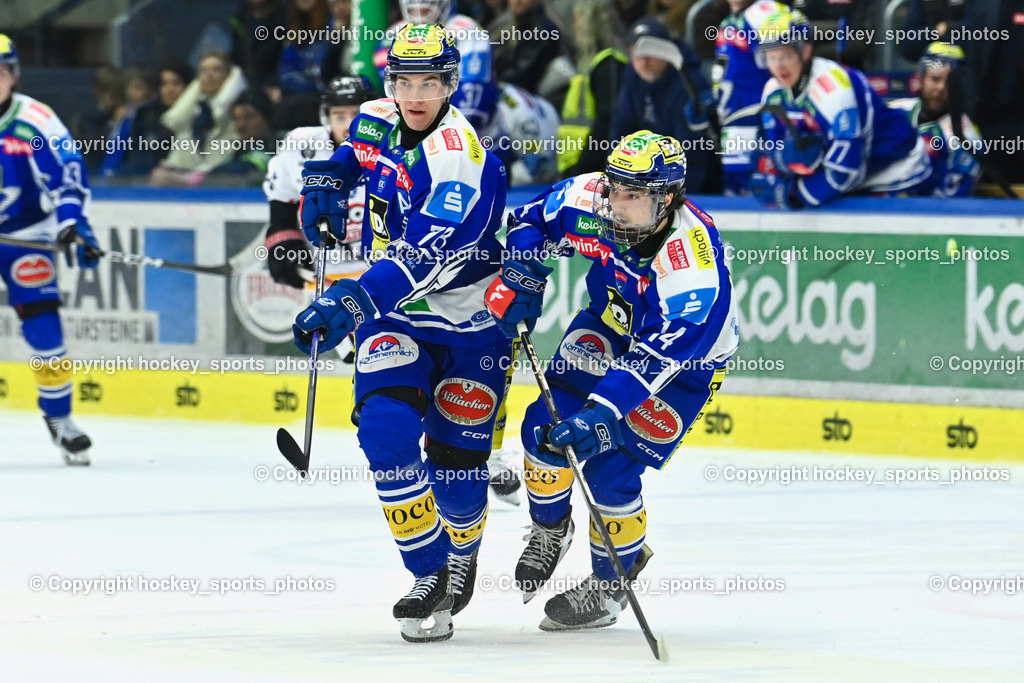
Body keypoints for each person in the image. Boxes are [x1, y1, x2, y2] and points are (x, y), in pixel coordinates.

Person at [291, 24, 509, 642]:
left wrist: (352, 300)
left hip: (470, 321)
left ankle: (461, 552)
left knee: (457, 470)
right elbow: (353, 154)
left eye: (431, 82)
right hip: (396, 317)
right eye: (405, 81)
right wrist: (328, 180)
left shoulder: (459, 159)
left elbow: (425, 258)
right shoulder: (375, 116)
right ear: (390, 82)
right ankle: (429, 570)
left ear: (450, 85)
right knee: (385, 436)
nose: (416, 94)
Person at [484, 130, 739, 630]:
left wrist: (602, 412)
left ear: (667, 198)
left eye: (634, 195)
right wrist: (523, 272)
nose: (618, 205)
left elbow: (660, 356)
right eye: (615, 188)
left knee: (608, 473)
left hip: (681, 370)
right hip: (607, 323)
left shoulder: (691, 263)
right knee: (543, 425)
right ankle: (550, 529)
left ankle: (611, 581)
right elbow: (529, 220)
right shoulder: (593, 198)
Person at [0, 35, 102, 465]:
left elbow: (67, 176)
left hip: (26, 237)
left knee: (45, 330)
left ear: (14, 75)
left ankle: (60, 419)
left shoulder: (35, 122)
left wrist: (72, 224)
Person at [749, 8, 931, 208]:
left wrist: (795, 194)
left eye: (786, 55)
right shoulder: (773, 93)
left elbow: (846, 171)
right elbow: (776, 147)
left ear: (806, 50)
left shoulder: (835, 91)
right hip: (852, 183)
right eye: (771, 57)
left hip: (898, 174)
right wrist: (779, 166)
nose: (779, 66)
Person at [610, 18, 721, 194]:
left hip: (699, 188)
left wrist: (676, 198)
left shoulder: (688, 84)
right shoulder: (632, 79)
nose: (643, 61)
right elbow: (620, 134)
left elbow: (692, 153)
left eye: (651, 53)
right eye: (637, 53)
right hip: (651, 183)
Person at [375, 0, 501, 132]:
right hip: (413, 124)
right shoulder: (391, 36)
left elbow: (473, 102)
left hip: (466, 127)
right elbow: (391, 93)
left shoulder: (467, 30)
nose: (419, 5)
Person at [712, 0, 791, 194]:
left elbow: (790, 67)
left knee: (760, 191)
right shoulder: (728, 21)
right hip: (733, 122)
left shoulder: (769, 13)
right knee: (734, 190)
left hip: (761, 123)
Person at [889, 43, 980, 198]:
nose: (940, 88)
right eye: (935, 79)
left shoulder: (967, 138)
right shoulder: (894, 112)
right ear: (920, 78)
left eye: (950, 82)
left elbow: (949, 205)